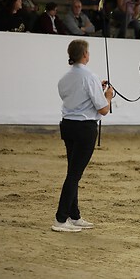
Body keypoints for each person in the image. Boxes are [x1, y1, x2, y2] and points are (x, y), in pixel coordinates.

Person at [52, 39, 113, 233]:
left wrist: (98, 89)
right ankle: (60, 219)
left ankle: (74, 215)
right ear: (85, 54)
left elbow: (76, 98)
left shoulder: (64, 78)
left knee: (73, 171)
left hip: (67, 126)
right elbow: (103, 109)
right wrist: (108, 96)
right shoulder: (90, 76)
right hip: (84, 128)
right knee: (74, 174)